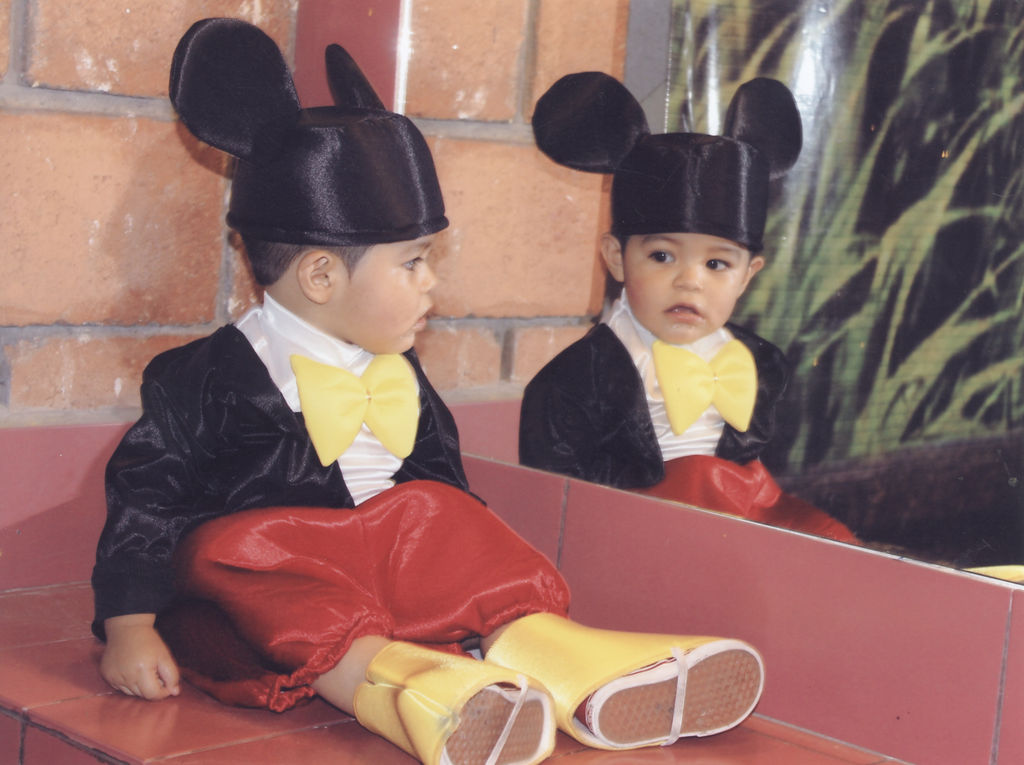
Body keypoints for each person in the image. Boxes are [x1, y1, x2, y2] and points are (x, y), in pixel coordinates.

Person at [92, 19, 766, 765]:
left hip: (389, 565)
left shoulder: (399, 368)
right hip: (277, 590)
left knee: (451, 510)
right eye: (413, 263)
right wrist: (129, 622)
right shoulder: (199, 379)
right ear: (321, 276)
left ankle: (564, 661)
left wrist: (463, 559)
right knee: (226, 552)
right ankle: (420, 695)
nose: (431, 283)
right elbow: (146, 500)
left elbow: (439, 479)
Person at [520, 71, 857, 544]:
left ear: (748, 275)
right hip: (636, 533)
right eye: (662, 256)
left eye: (717, 264)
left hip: (746, 517)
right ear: (616, 258)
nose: (690, 280)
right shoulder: (573, 381)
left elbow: (761, 473)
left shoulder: (762, 363)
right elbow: (555, 501)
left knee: (834, 547)